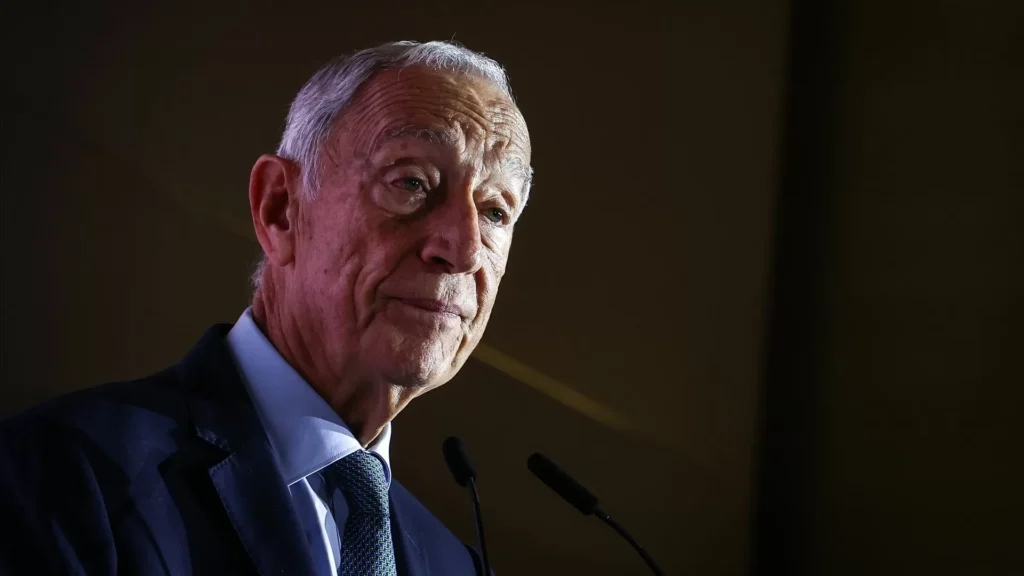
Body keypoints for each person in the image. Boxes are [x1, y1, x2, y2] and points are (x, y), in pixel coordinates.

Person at [0, 40, 532, 576]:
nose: (464, 250)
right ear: (279, 208)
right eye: (411, 183)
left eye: (495, 212)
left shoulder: (457, 564)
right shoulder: (62, 471)